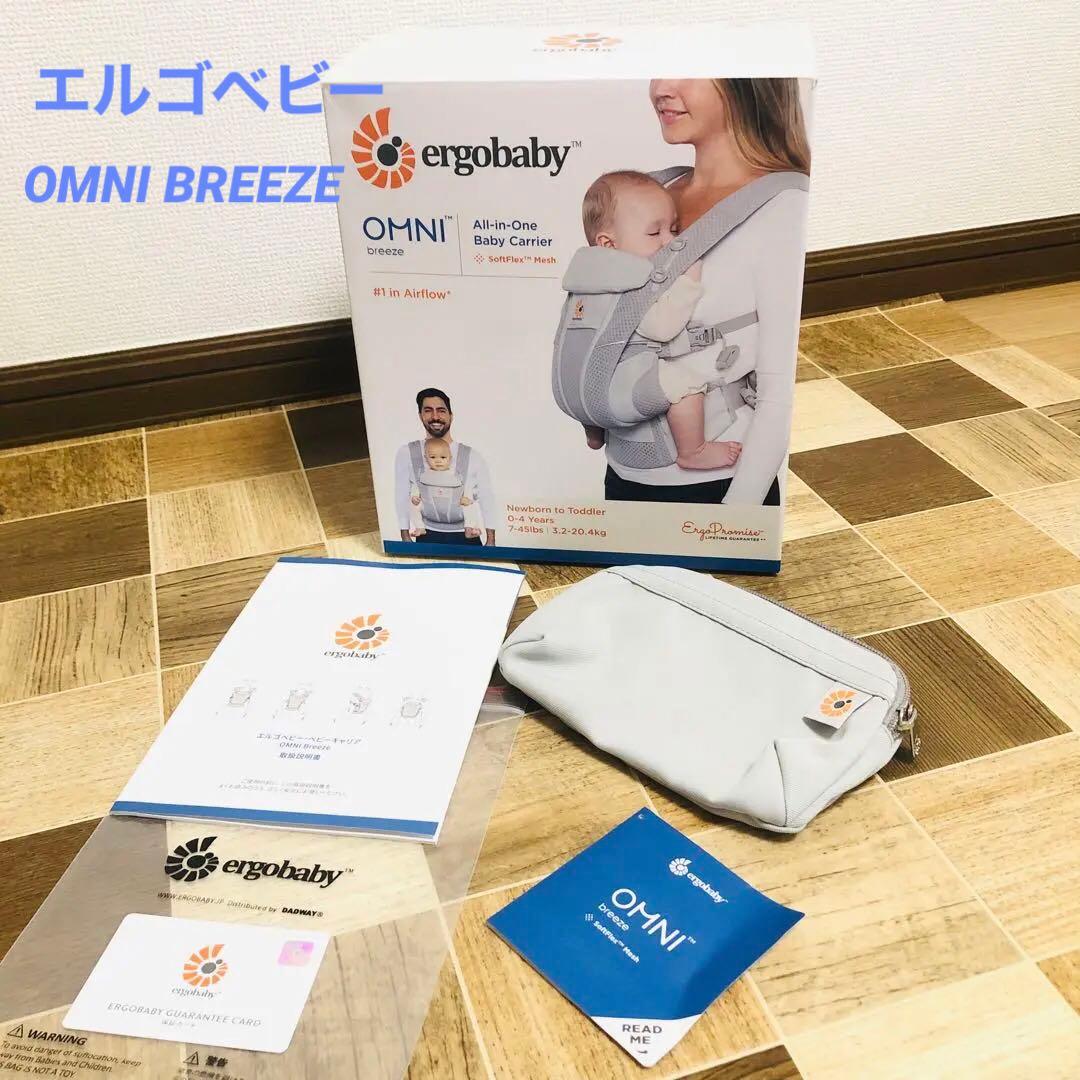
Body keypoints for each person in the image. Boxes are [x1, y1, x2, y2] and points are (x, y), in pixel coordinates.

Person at [603, 78, 810, 506]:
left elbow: (779, 394)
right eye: (659, 70)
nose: (662, 87)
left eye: (688, 70)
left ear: (746, 83)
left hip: (717, 485)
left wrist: (738, 518)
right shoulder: (645, 193)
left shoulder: (783, 207)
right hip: (623, 472)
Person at [577, 169, 742, 471]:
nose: (669, 241)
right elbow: (661, 328)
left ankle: (594, 433)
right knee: (687, 384)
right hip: (619, 379)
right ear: (608, 244)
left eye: (674, 229)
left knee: (589, 383)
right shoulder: (628, 280)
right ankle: (693, 451)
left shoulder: (584, 278)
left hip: (578, 386)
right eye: (655, 233)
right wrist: (688, 282)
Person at [394, 388, 498, 545]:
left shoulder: (472, 455)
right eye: (428, 410)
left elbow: (487, 498)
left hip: (466, 536)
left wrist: (491, 540)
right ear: (420, 415)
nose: (435, 417)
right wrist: (405, 536)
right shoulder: (407, 452)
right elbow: (401, 494)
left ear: (451, 415)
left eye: (441, 411)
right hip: (426, 534)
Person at [407, 436, 482, 538]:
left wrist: (468, 498)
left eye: (443, 457)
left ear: (450, 458)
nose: (438, 461)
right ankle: (420, 527)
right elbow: (416, 486)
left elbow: (468, 486)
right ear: (426, 458)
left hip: (457, 509)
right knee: (412, 506)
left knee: (470, 506)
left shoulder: (457, 475)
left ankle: (469, 528)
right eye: (433, 457)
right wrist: (414, 496)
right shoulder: (423, 475)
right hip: (428, 509)